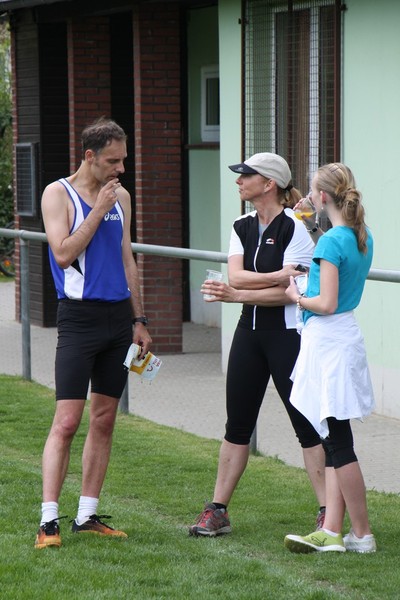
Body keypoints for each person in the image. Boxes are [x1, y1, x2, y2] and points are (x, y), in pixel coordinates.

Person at [189, 152, 326, 537]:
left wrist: (241, 293)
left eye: (246, 175)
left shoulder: (295, 228)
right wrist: (275, 275)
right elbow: (235, 275)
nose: (239, 181)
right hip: (248, 335)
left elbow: (290, 293)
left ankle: (328, 512)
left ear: (269, 184)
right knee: (237, 425)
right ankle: (217, 511)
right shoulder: (241, 225)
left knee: (307, 426)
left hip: (287, 336)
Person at [35, 117, 152, 549]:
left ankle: (87, 515)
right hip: (78, 319)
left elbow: (127, 258)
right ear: (89, 156)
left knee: (103, 419)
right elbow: (63, 254)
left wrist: (140, 320)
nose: (121, 169)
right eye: (113, 161)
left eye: (123, 160)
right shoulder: (57, 193)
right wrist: (98, 209)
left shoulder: (122, 196)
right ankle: (49, 522)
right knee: (67, 421)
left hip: (119, 321)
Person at [284, 163, 376, 553]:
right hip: (344, 337)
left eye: (311, 191)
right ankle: (333, 531)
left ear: (322, 196)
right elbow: (333, 255)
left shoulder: (331, 243)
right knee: (336, 439)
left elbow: (326, 302)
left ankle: (362, 534)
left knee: (339, 442)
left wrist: (296, 297)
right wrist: (311, 228)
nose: (308, 196)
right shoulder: (360, 235)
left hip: (329, 342)